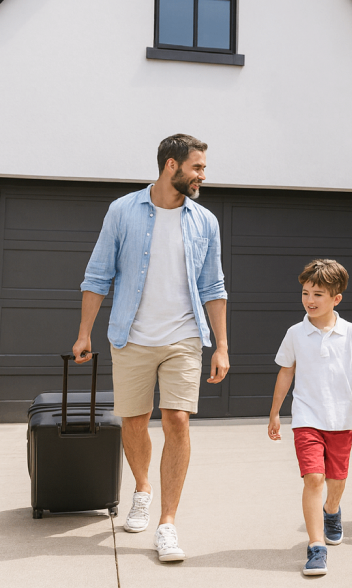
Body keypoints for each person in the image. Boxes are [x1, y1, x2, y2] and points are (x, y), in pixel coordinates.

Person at [72, 134, 229, 562]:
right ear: (171, 166)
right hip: (131, 335)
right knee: (134, 421)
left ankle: (167, 522)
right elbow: (98, 274)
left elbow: (213, 286)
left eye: (203, 170)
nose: (201, 177)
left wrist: (222, 347)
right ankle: (142, 487)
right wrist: (84, 332)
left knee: (177, 419)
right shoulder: (122, 211)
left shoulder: (205, 222)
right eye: (197, 168)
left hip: (184, 336)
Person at [268, 259, 352, 576]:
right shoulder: (295, 333)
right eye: (305, 293)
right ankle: (316, 547)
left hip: (341, 419)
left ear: (336, 298)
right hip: (306, 417)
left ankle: (332, 511)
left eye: (318, 294)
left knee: (336, 481)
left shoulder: (351, 332)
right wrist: (275, 412)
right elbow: (286, 373)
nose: (310, 301)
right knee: (314, 478)